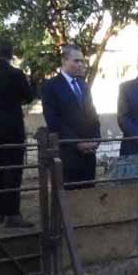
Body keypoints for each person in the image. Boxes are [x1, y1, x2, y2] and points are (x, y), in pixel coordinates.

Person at [0, 37, 35, 228]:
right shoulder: (16, 74)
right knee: (12, 169)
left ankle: (0, 211)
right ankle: (12, 213)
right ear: (11, 54)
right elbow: (28, 97)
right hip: (12, 126)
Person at [42, 44, 101, 188]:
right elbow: (53, 121)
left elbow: (92, 114)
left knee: (89, 196)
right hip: (67, 155)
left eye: (82, 61)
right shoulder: (51, 86)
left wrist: (96, 139)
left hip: (89, 155)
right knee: (70, 197)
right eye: (76, 61)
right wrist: (77, 143)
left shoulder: (83, 85)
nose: (81, 64)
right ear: (64, 61)